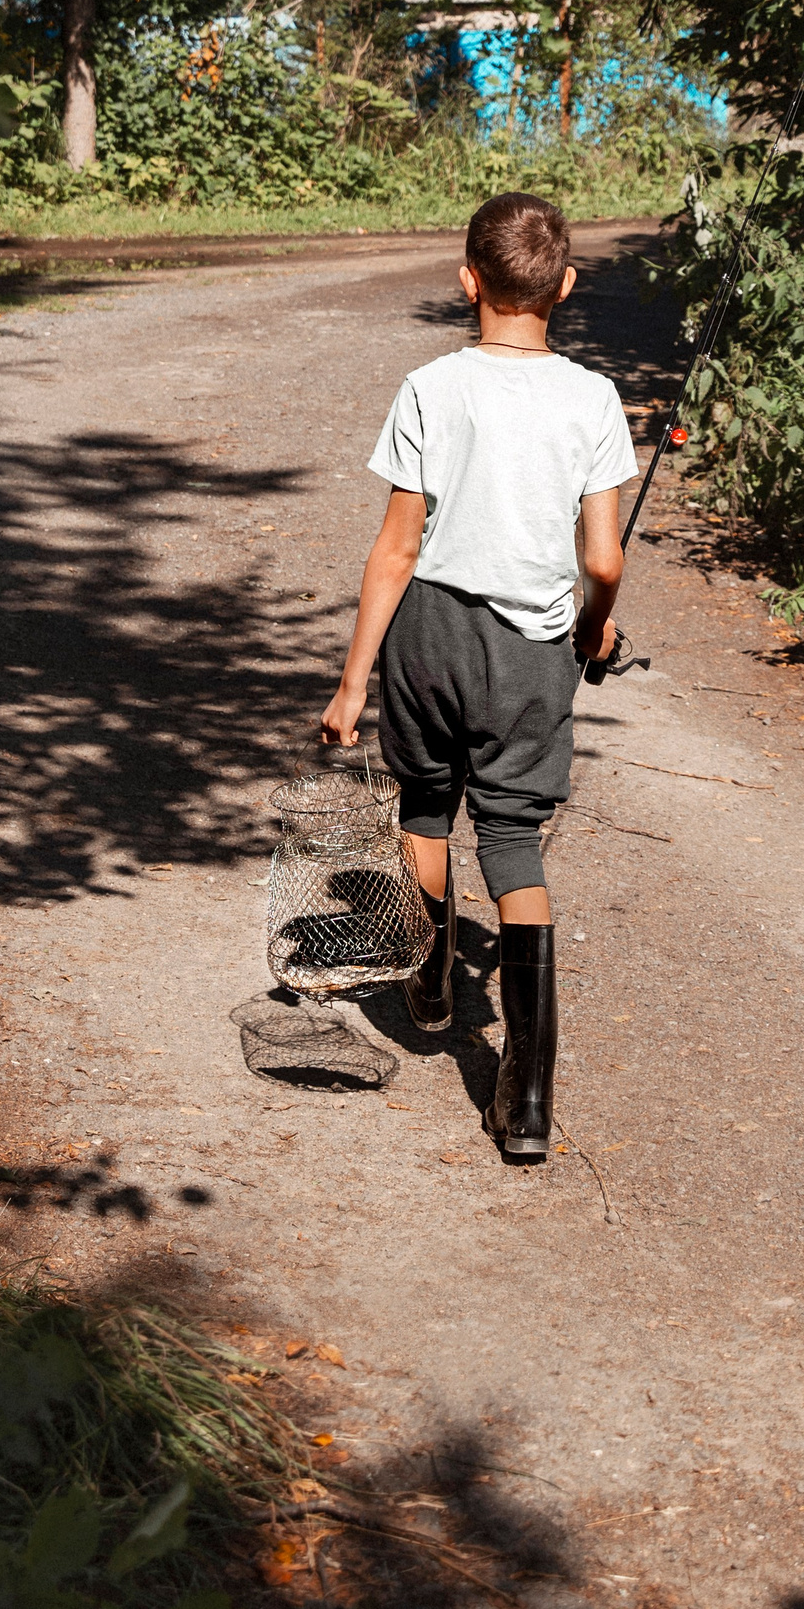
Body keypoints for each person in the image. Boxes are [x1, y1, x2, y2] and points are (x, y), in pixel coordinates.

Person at [319, 192, 633, 1159]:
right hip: (531, 648)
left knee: (425, 805)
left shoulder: (429, 385)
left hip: (430, 635)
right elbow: (606, 560)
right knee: (511, 834)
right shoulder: (593, 398)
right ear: (567, 287)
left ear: (467, 281)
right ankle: (527, 1091)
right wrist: (593, 633)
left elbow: (395, 546)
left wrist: (352, 679)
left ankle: (428, 972)